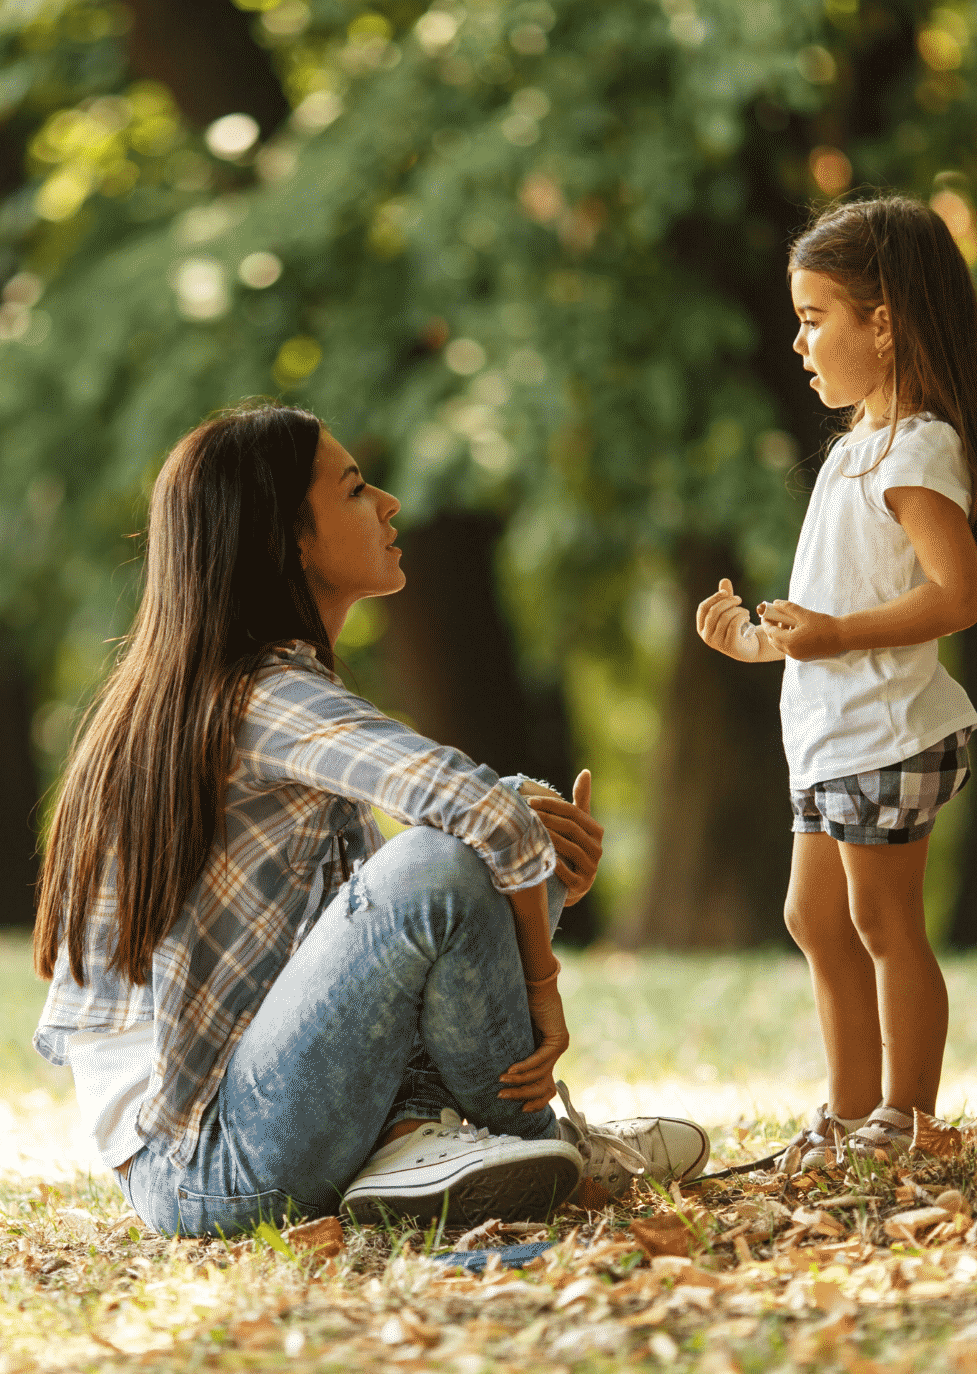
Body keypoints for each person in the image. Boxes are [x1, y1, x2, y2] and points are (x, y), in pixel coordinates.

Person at [34, 402, 709, 1237]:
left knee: (506, 809)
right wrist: (543, 986)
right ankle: (540, 1147)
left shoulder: (228, 689)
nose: (389, 503)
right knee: (448, 856)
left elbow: (386, 906)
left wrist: (526, 834)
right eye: (355, 490)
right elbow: (463, 823)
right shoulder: (259, 696)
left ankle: (416, 1139)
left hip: (247, 1119)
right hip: (203, 1162)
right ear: (290, 540)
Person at [696, 196, 977, 1166]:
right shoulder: (857, 447)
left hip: (888, 731)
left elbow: (956, 596)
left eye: (814, 318)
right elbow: (832, 613)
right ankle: (846, 1114)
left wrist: (838, 632)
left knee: (880, 921)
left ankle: (906, 1116)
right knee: (810, 916)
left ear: (881, 323)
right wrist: (759, 643)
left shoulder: (917, 447)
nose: (798, 341)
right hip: (833, 730)